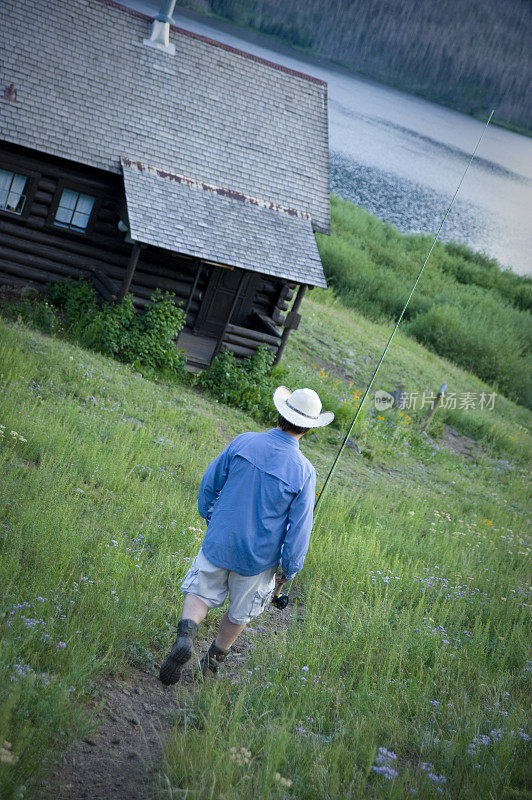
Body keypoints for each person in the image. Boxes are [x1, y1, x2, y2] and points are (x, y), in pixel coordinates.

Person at [159, 385, 334, 685]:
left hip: (220, 540)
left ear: (281, 413)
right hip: (258, 559)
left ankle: (186, 635)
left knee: (200, 593)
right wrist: (289, 569)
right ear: (308, 428)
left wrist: (209, 515)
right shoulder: (305, 472)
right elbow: (300, 529)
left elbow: (210, 482)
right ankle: (212, 662)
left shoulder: (243, 442)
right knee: (240, 613)